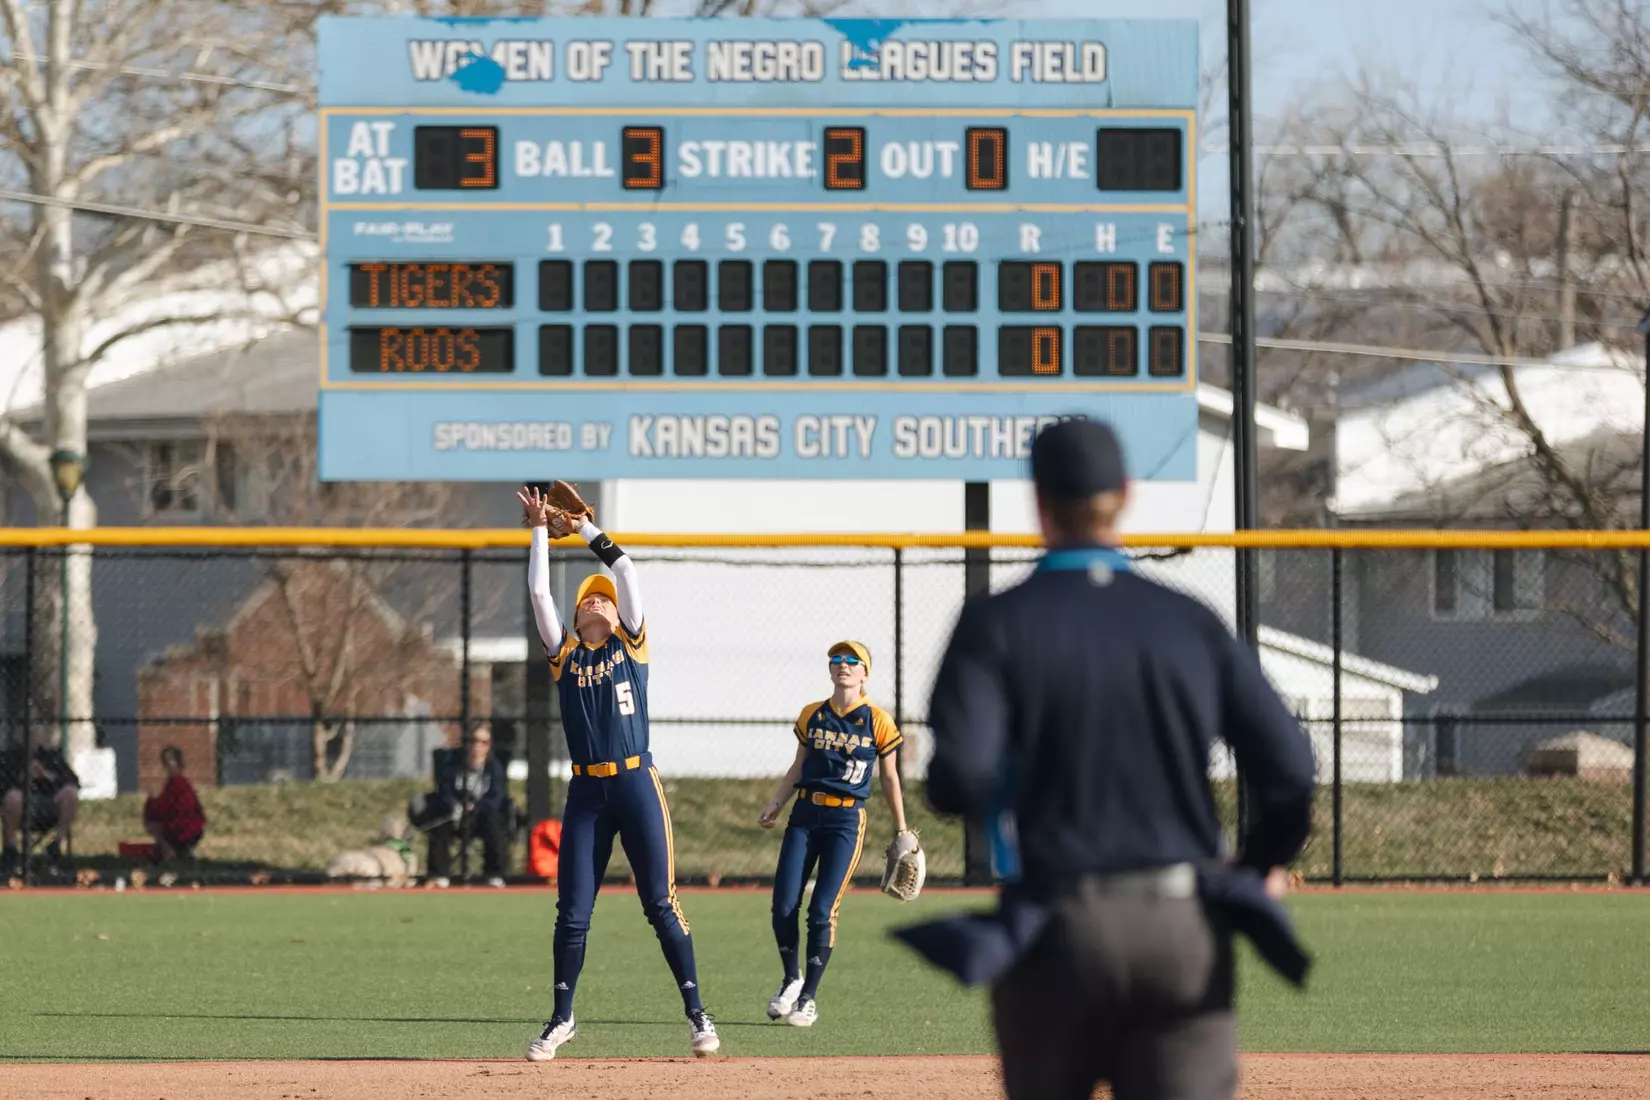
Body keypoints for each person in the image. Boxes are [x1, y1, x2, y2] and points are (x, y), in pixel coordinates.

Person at [902, 417, 1317, 1100]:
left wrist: (1011, 796)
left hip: (1058, 925)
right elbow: (1291, 768)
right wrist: (1257, 864)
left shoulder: (996, 622)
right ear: (1125, 495)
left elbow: (959, 778)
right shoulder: (1189, 621)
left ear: (1039, 501)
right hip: (1180, 925)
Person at [518, 484, 719, 1061]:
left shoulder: (632, 646)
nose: (600, 604)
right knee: (572, 911)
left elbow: (625, 570)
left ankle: (697, 1013)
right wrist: (539, 530)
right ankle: (561, 1019)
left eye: (605, 602)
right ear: (579, 613)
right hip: (587, 791)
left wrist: (584, 527)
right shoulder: (564, 655)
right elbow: (539, 590)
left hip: (636, 784)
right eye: (591, 600)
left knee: (660, 902)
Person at [757, 640, 910, 1028]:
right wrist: (776, 801)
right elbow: (799, 765)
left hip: (846, 820)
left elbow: (889, 777)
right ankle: (791, 979)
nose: (843, 664)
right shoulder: (813, 713)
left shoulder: (878, 719)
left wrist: (902, 829)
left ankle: (808, 997)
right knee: (783, 905)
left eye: (852, 660)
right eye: (836, 659)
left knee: (822, 910)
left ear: (864, 673)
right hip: (805, 814)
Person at [419, 722, 510, 888]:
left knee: (494, 822)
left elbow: (496, 798)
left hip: (481, 818)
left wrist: (476, 808)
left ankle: (494, 874)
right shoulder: (452, 765)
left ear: (489, 746)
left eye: (483, 742)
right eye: (473, 741)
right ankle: (439, 874)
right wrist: (455, 805)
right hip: (456, 817)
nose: (477, 746)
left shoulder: (495, 768)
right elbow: (444, 791)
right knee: (440, 825)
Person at [1, 728, 80, 874]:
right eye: (27, 732)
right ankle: (11, 850)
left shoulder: (51, 757)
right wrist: (24, 776)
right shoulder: (8, 758)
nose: (32, 735)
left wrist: (45, 775)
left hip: (48, 807)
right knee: (13, 797)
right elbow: (4, 786)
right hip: (20, 809)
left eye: (35, 731)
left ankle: (57, 845)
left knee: (70, 793)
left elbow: (72, 781)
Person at [142, 745, 206, 861]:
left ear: (178, 762)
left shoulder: (180, 783)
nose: (168, 765)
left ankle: (170, 852)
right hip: (181, 825)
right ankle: (176, 852)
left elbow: (170, 808)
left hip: (185, 827)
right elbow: (163, 806)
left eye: (171, 761)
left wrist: (152, 801)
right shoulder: (172, 783)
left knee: (155, 826)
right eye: (166, 762)